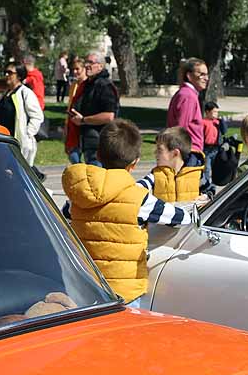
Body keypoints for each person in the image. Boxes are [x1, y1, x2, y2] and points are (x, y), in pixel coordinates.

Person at [61, 119, 194, 306]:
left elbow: (64, 215)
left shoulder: (78, 195)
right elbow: (181, 218)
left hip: (83, 288)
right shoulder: (141, 199)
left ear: (98, 155)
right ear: (135, 163)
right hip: (123, 295)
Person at [70, 52, 119, 165]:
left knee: (96, 179)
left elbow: (109, 116)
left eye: (91, 62)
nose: (87, 65)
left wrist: (83, 120)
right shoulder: (87, 84)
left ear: (100, 66)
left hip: (99, 143)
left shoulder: (105, 86)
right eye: (86, 62)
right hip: (86, 141)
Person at [0, 63, 45, 167]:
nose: (7, 75)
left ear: (19, 76)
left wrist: (27, 134)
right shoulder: (5, 94)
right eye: (6, 72)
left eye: (10, 73)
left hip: (20, 144)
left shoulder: (25, 93)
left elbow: (37, 116)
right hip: (4, 142)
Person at [147, 127, 213, 203]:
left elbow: (210, 190)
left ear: (175, 153)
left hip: (189, 214)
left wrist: (205, 197)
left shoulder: (196, 173)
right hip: (165, 215)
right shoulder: (156, 174)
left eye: (159, 150)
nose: (155, 153)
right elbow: (141, 188)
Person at [166, 58, 208, 167]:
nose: (206, 78)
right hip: (189, 153)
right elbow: (181, 128)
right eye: (201, 74)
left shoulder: (187, 94)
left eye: (206, 75)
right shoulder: (188, 96)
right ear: (189, 76)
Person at [64, 56, 87, 164]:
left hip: (84, 124)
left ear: (84, 69)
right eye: (73, 69)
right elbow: (70, 105)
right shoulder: (74, 85)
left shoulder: (88, 85)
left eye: (77, 69)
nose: (75, 72)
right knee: (73, 157)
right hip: (72, 125)